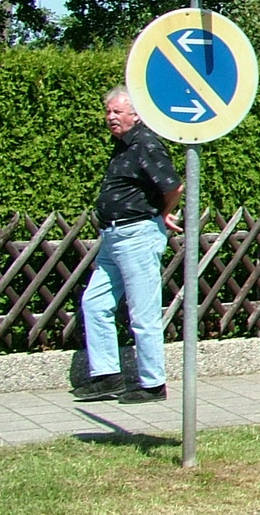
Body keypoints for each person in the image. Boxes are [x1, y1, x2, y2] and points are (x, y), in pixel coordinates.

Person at [73, 87, 183, 403]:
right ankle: (107, 375)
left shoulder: (145, 143)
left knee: (142, 313)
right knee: (95, 303)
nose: (110, 117)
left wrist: (162, 214)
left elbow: (173, 186)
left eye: (117, 112)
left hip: (136, 235)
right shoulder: (123, 146)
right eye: (108, 112)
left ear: (135, 114)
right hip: (113, 237)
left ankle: (153, 384)